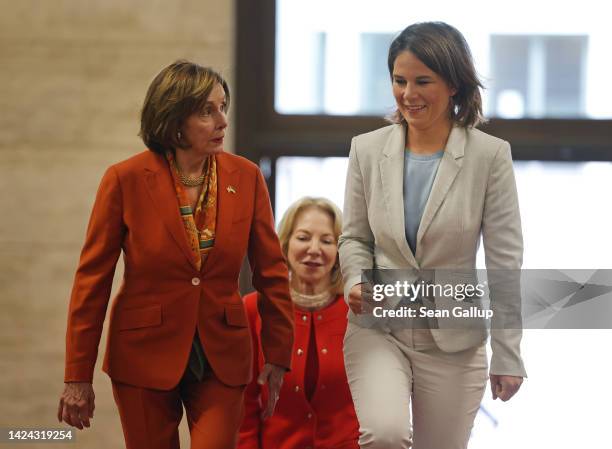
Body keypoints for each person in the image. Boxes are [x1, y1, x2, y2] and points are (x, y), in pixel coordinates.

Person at [57, 60, 294, 449]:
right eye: (207, 111)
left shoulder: (246, 177)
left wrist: (278, 354)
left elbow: (271, 271)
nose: (222, 121)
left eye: (223, 107)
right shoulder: (125, 179)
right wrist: (76, 375)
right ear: (173, 119)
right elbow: (91, 282)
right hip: (143, 352)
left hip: (222, 351)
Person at [339, 22, 527, 449]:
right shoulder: (365, 150)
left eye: (423, 81)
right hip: (377, 329)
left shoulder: (489, 156)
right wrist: (353, 280)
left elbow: (504, 264)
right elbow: (353, 238)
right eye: (399, 81)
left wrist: (508, 352)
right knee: (384, 435)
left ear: (455, 85)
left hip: (454, 340)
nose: (409, 94)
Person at [238, 197, 359, 449]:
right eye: (303, 237)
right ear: (284, 244)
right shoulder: (253, 309)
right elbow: (243, 405)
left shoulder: (358, 310)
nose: (314, 249)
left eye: (327, 241)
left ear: (339, 253)